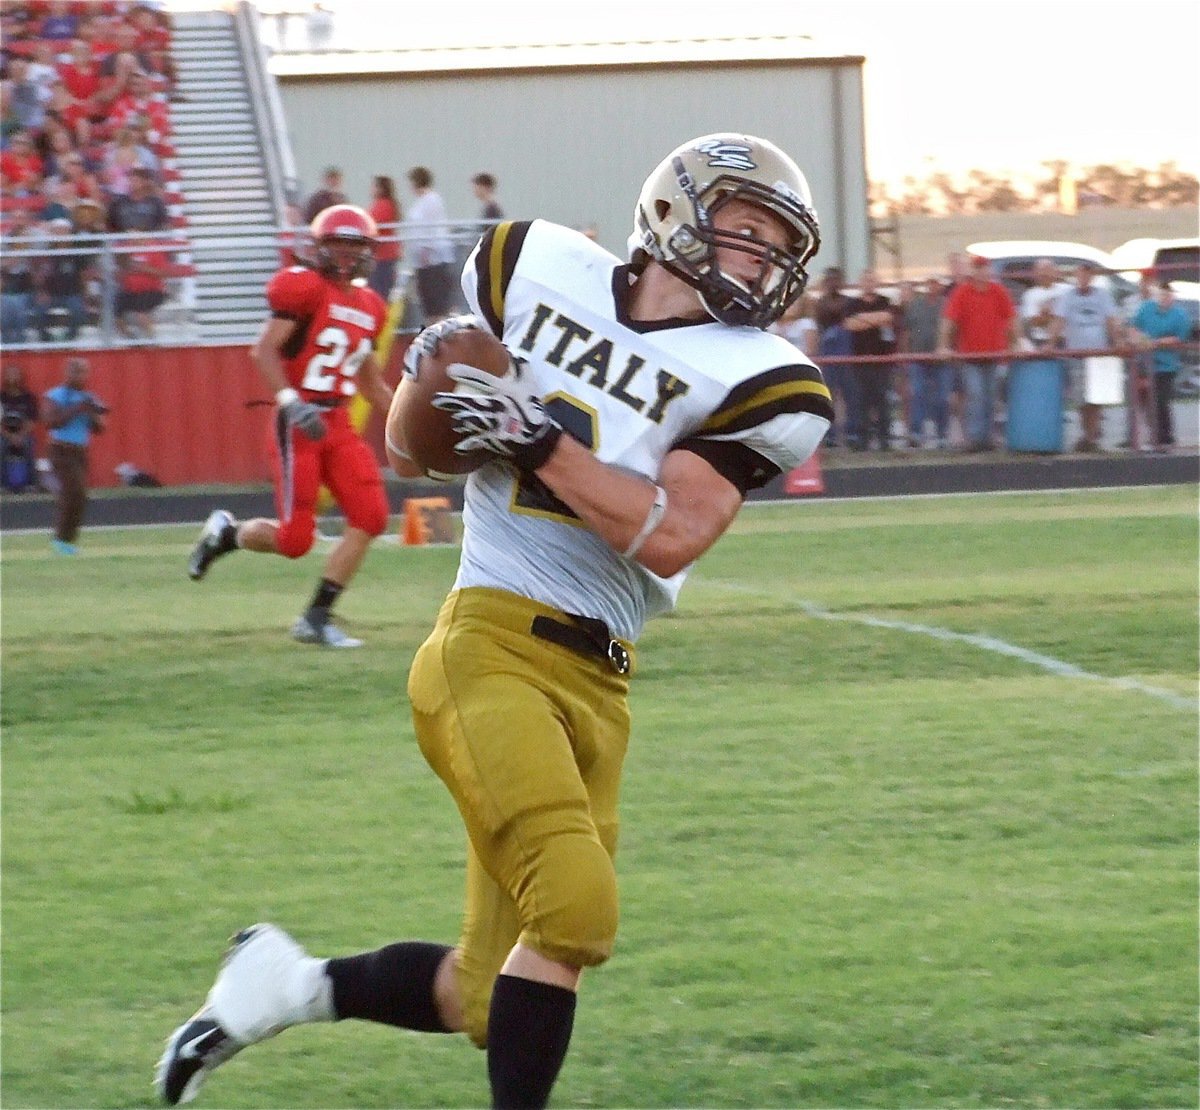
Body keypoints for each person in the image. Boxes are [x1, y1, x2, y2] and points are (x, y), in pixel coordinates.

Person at [156, 132, 833, 1109]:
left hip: (602, 681)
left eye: (778, 238)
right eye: (747, 226)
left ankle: (280, 987)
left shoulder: (761, 375)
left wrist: (536, 437)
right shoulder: (533, 265)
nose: (763, 255)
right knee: (578, 909)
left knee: (485, 989)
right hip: (490, 646)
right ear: (676, 213)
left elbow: (673, 533)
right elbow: (408, 450)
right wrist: (437, 403)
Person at [184, 204, 394, 648]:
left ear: (367, 252)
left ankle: (316, 618)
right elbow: (263, 351)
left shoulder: (371, 306)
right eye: (335, 243)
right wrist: (291, 401)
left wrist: (412, 426)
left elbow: (372, 384)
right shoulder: (305, 289)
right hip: (298, 420)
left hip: (337, 420)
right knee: (296, 540)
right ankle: (227, 535)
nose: (343, 254)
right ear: (318, 246)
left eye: (352, 245)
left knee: (372, 516)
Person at [937, 255, 1017, 451]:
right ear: (973, 271)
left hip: (994, 354)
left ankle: (987, 439)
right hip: (970, 356)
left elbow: (1012, 319)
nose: (982, 272)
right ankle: (974, 438)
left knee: (990, 397)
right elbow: (949, 321)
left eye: (985, 268)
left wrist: (1016, 343)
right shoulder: (962, 292)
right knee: (975, 394)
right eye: (978, 268)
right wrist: (942, 345)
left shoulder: (999, 291)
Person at [42, 356, 106, 555]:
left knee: (79, 496)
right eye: (75, 371)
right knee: (73, 493)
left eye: (83, 371)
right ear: (66, 373)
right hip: (60, 451)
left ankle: (68, 542)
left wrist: (93, 413)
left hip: (80, 452)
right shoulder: (55, 395)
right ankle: (60, 541)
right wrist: (78, 408)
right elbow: (51, 422)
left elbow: (100, 428)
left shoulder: (89, 397)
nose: (79, 375)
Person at [1057, 261, 1122, 452]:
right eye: (1080, 275)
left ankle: (1091, 436)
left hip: (1098, 353)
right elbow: (1059, 319)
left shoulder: (1102, 296)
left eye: (1086, 275)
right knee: (1080, 398)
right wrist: (1050, 343)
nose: (1083, 279)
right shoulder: (1068, 296)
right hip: (1077, 353)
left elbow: (1110, 319)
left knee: (1096, 397)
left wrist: (1117, 340)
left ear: (1092, 277)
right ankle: (1088, 434)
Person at [1130, 281, 1192, 451]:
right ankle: (1152, 436)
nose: (1165, 298)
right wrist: (1139, 339)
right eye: (1162, 294)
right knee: (1144, 400)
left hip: (1167, 365)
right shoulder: (1146, 308)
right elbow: (1134, 327)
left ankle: (1166, 438)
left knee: (1161, 400)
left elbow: (1179, 338)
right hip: (1144, 364)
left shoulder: (1180, 315)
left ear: (1173, 296)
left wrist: (1154, 342)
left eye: (1168, 294)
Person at [843, 268, 898, 450]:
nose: (869, 283)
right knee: (861, 401)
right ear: (861, 283)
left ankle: (885, 440)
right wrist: (875, 319)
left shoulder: (885, 301)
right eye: (866, 280)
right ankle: (862, 440)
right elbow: (850, 324)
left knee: (882, 400)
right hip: (859, 361)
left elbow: (888, 317)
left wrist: (863, 319)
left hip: (883, 360)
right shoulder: (852, 304)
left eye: (872, 280)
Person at [902, 276, 951, 448]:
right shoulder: (915, 305)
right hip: (918, 358)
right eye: (930, 282)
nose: (932, 286)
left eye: (936, 283)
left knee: (943, 398)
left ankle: (942, 434)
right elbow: (906, 331)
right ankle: (916, 433)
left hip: (942, 360)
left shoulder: (947, 304)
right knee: (917, 394)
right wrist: (906, 355)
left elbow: (954, 329)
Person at [405, 165, 457, 323]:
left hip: (432, 260)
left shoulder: (431, 199)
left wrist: (426, 251)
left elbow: (431, 227)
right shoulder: (421, 201)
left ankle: (439, 329)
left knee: (436, 301)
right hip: (422, 261)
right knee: (427, 301)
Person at [1, 362, 39, 493]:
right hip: (4, 434)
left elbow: (32, 421)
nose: (12, 377)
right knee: (1, 445)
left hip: (24, 434)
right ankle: (2, 485)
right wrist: (9, 436)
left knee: (29, 444)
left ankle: (31, 484)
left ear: (21, 377)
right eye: (9, 374)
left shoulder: (29, 398)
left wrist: (20, 436)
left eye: (15, 374)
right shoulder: (1, 397)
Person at [366, 173, 401, 300]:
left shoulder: (384, 205)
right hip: (382, 255)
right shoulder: (384, 204)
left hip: (383, 256)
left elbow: (372, 224)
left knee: (378, 290)